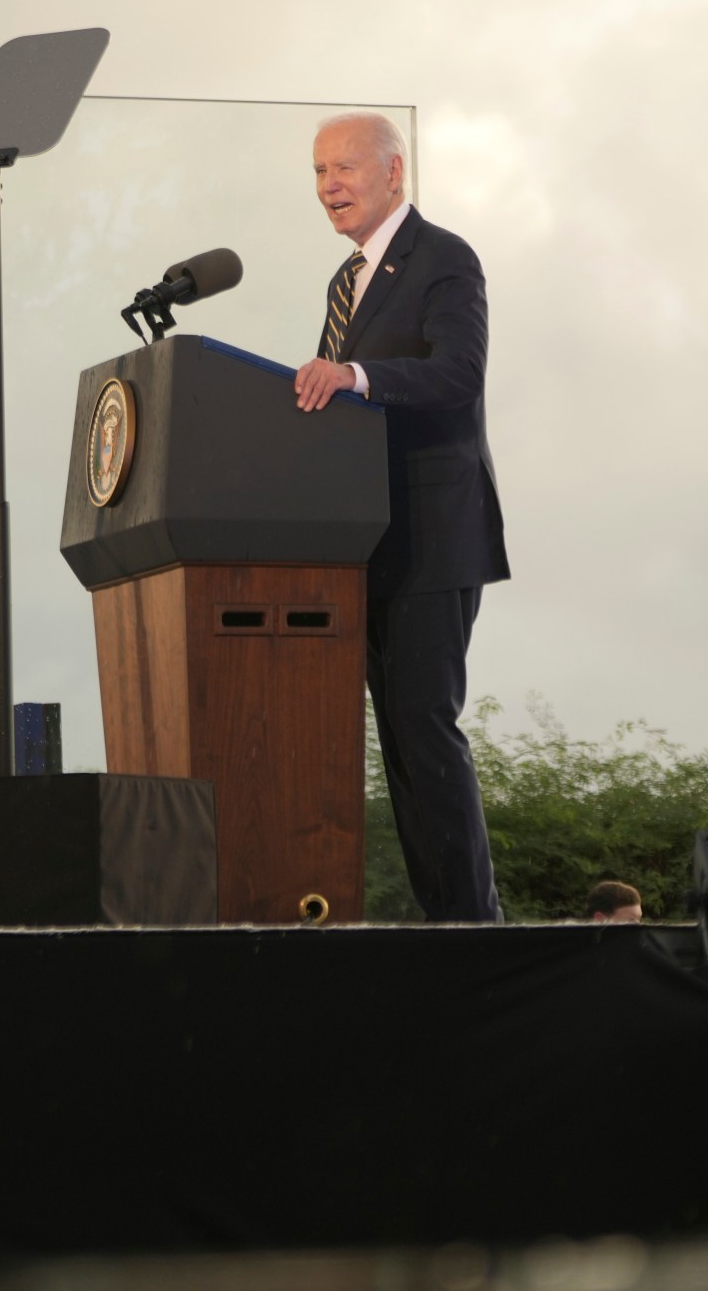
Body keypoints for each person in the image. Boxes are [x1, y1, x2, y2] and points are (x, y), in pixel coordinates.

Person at [292, 112, 509, 924]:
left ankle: (473, 927)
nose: (329, 186)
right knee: (400, 748)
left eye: (344, 168)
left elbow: (458, 374)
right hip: (366, 541)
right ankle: (439, 919)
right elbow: (338, 401)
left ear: (394, 174)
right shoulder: (343, 284)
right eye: (318, 173)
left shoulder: (445, 259)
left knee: (424, 731)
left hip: (433, 535)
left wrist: (350, 373)